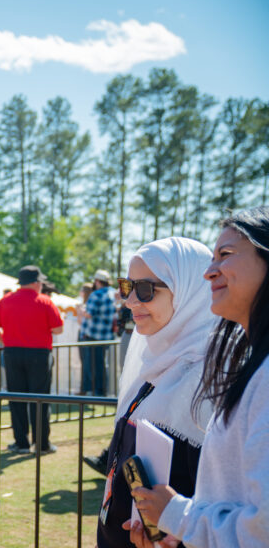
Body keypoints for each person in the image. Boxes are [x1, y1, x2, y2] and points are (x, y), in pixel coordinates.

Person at [131, 207, 269, 548]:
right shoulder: (252, 366)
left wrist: (178, 516)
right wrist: (180, 531)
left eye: (225, 254)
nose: (209, 272)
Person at [94, 237, 217, 547]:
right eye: (126, 286)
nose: (130, 301)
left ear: (188, 292)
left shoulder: (212, 383)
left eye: (145, 290)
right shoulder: (150, 364)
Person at [0, 265, 64, 454]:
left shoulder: (5, 301)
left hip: (13, 352)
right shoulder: (45, 301)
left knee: (17, 399)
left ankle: (21, 443)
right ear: (35, 282)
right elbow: (58, 329)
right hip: (39, 354)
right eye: (40, 282)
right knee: (40, 400)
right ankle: (41, 444)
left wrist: (5, 340)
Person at [80, 270, 116, 396]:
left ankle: (96, 391)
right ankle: (101, 391)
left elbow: (89, 314)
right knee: (101, 365)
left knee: (93, 366)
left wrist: (82, 310)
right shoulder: (114, 293)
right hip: (107, 336)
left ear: (97, 281)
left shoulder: (96, 294)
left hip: (93, 336)